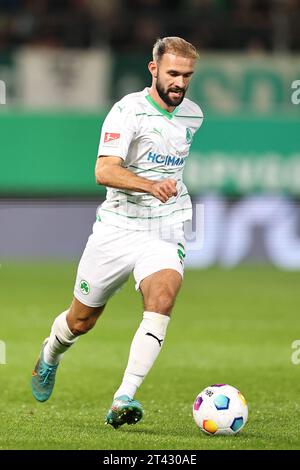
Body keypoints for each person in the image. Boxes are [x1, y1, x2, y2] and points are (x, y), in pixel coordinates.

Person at [31, 36, 204, 429]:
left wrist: (166, 194)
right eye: (173, 73)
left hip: (165, 226)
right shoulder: (127, 111)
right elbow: (103, 170)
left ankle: (123, 397)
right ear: (154, 68)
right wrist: (148, 185)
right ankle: (50, 354)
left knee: (162, 300)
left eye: (187, 76)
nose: (179, 83)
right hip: (116, 229)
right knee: (81, 322)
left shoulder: (193, 115)